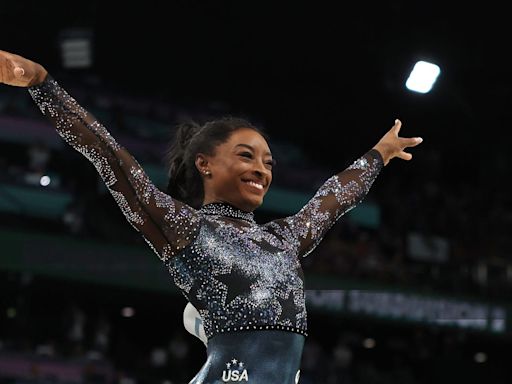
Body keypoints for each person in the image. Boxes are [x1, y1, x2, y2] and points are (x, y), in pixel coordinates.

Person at [0, 49, 423, 383]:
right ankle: (201, 321)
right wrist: (43, 84)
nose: (261, 169)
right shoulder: (185, 228)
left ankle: (200, 322)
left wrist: (380, 154)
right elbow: (109, 157)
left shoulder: (285, 238)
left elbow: (334, 198)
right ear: (205, 164)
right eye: (246, 156)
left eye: (269, 163)